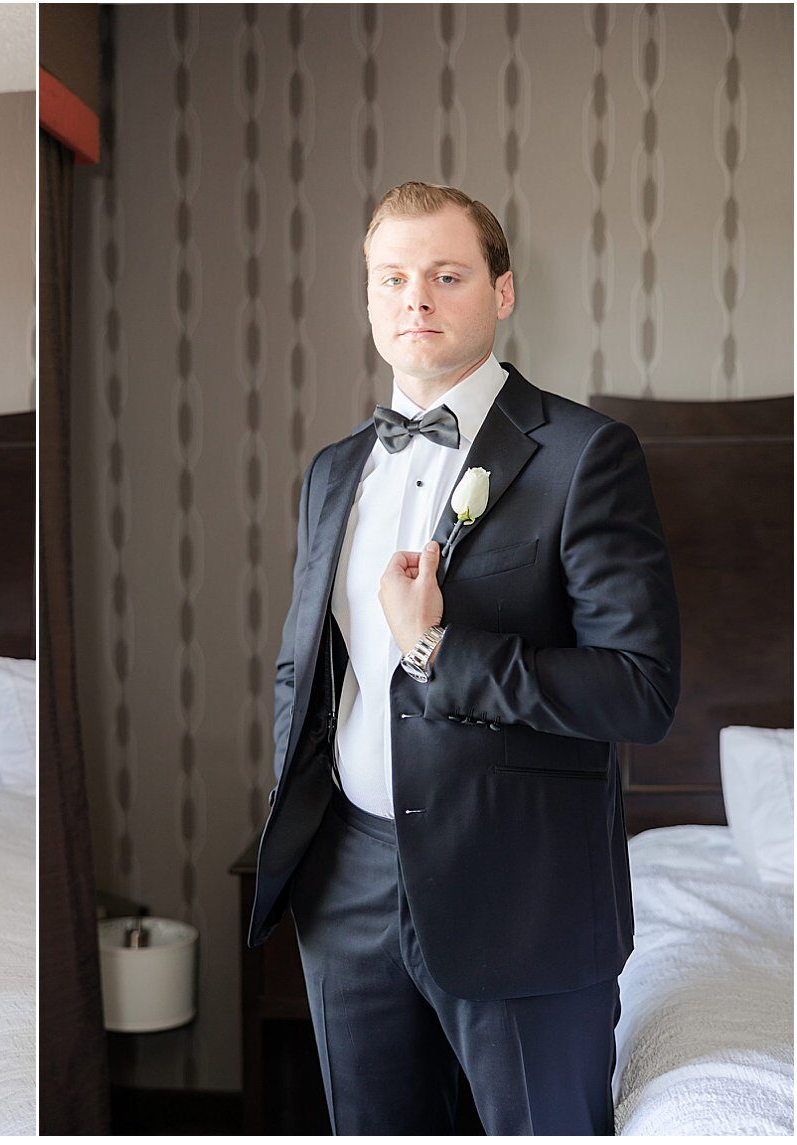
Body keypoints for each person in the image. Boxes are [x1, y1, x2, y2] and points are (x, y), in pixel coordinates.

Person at [248, 182, 679, 1135]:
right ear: (367, 301)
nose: (417, 300)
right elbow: (306, 667)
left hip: (523, 895)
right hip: (347, 885)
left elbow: (640, 689)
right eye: (393, 279)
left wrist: (439, 649)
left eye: (447, 275)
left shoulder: (585, 455)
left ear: (503, 290)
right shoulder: (332, 469)